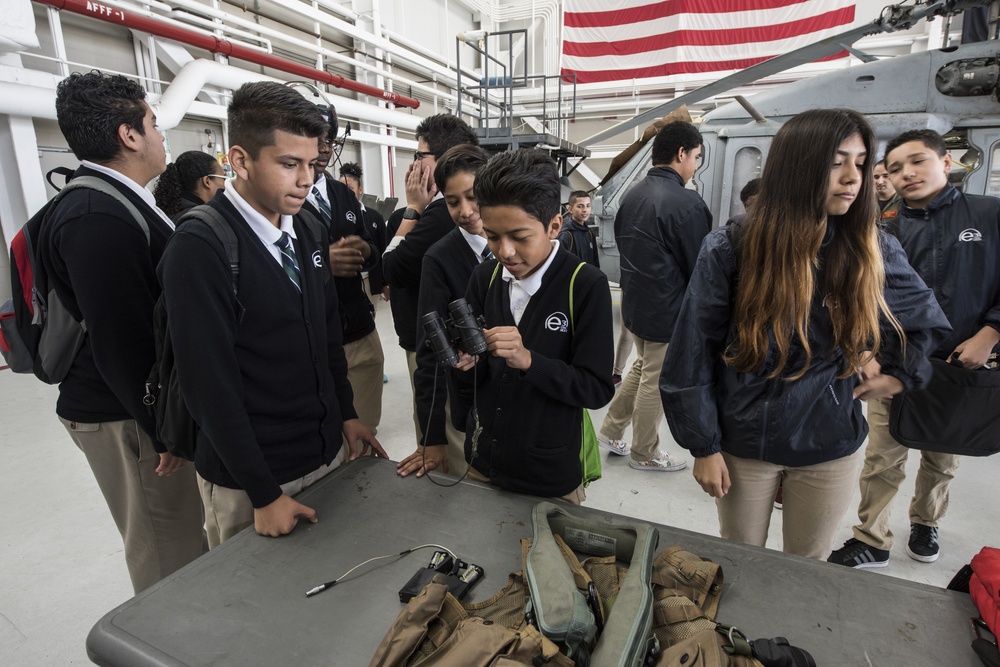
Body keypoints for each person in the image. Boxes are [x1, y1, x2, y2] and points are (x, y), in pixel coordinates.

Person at [661, 108, 949, 560]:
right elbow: (692, 351)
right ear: (798, 165)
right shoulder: (733, 245)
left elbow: (923, 320)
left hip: (829, 440)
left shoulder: (871, 245)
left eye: (860, 161)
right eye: (836, 162)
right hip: (744, 441)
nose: (853, 177)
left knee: (808, 564)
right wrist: (703, 445)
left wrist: (899, 373)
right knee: (741, 559)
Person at [158, 82, 385, 548]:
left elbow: (325, 337)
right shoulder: (201, 247)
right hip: (254, 482)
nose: (306, 179)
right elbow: (208, 385)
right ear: (239, 161)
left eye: (313, 164)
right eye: (289, 164)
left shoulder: (306, 226)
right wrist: (263, 494)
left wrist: (346, 413)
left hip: (323, 454)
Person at [41, 71, 203, 593]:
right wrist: (163, 430)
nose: (161, 136)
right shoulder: (95, 216)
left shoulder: (120, 200)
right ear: (128, 136)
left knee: (181, 538)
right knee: (166, 549)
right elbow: (121, 341)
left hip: (134, 410)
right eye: (154, 124)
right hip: (124, 416)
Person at [829, 129, 1000, 569]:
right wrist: (865, 352)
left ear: (946, 163)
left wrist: (991, 332)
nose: (908, 174)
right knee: (883, 456)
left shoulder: (988, 214)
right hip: (895, 364)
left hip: (960, 364)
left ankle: (926, 521)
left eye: (918, 161)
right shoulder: (882, 228)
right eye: (897, 167)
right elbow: (858, 296)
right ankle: (872, 537)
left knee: (943, 455)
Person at [452, 149, 614, 503]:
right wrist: (467, 363)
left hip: (548, 478)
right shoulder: (484, 277)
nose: (505, 252)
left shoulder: (584, 285)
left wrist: (529, 361)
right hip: (482, 465)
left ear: (554, 225)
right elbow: (472, 378)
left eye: (520, 237)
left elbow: (596, 389)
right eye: (492, 236)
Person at [596, 121, 710, 472]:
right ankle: (644, 453)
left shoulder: (632, 195)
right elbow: (701, 269)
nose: (695, 166)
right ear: (681, 154)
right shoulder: (687, 203)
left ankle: (612, 428)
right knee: (656, 381)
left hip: (638, 306)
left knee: (643, 367)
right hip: (668, 311)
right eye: (696, 157)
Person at [382, 114, 479, 442]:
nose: (465, 211)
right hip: (446, 346)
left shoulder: (439, 214)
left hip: (437, 350)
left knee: (449, 433)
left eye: (420, 156)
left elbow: (391, 269)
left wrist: (412, 209)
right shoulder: (443, 214)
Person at [397, 144, 491, 479]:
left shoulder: (518, 246)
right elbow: (428, 351)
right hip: (470, 402)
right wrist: (431, 436)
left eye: (473, 196)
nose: (466, 210)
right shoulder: (440, 259)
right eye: (453, 201)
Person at [303, 131, 384, 439]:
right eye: (316, 139)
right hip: (316, 339)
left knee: (365, 427)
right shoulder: (280, 198)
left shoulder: (342, 193)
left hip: (358, 329)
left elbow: (371, 248)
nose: (324, 149)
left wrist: (365, 252)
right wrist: (323, 262)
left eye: (330, 142)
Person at [340, 161, 389, 304]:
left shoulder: (374, 217)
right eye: (340, 188)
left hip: (369, 279)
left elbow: (383, 249)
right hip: (344, 280)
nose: (345, 192)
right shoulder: (334, 216)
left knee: (369, 318)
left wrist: (385, 282)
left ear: (360, 189)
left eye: (350, 188)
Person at [153, 150, 226, 221]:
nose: (225, 185)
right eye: (223, 179)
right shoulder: (199, 219)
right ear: (207, 181)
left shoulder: (174, 208)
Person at [557, 190, 600, 268]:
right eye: (580, 206)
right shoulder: (566, 235)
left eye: (588, 206)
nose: (585, 210)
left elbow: (595, 262)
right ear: (570, 209)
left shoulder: (589, 233)